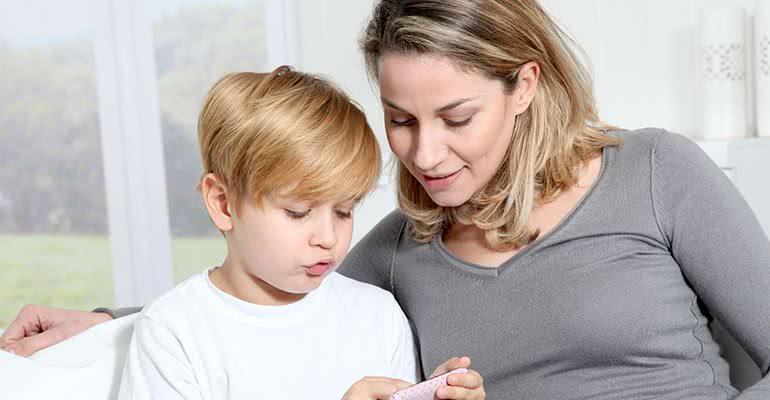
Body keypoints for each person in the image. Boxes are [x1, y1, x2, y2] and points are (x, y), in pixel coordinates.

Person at [3, 0, 769, 398]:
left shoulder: (656, 171)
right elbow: (265, 290)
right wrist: (110, 322)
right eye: (400, 120)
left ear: (525, 85)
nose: (425, 153)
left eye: (456, 118)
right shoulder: (404, 249)